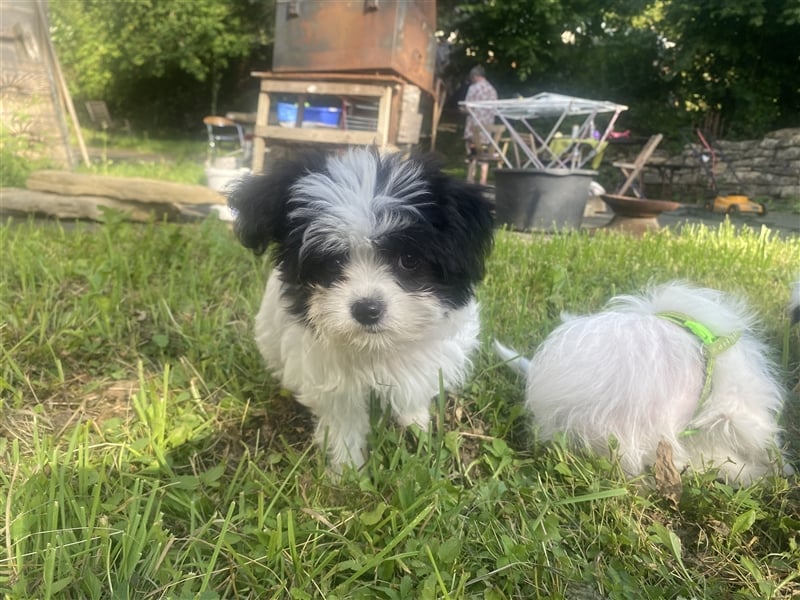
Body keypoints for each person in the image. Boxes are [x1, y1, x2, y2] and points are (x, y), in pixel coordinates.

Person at [462, 65, 498, 186]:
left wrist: (462, 110)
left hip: (473, 129)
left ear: (475, 76)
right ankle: (483, 180)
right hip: (488, 129)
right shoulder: (492, 90)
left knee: (472, 154)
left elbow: (467, 106)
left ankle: (471, 179)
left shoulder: (473, 88)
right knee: (485, 154)